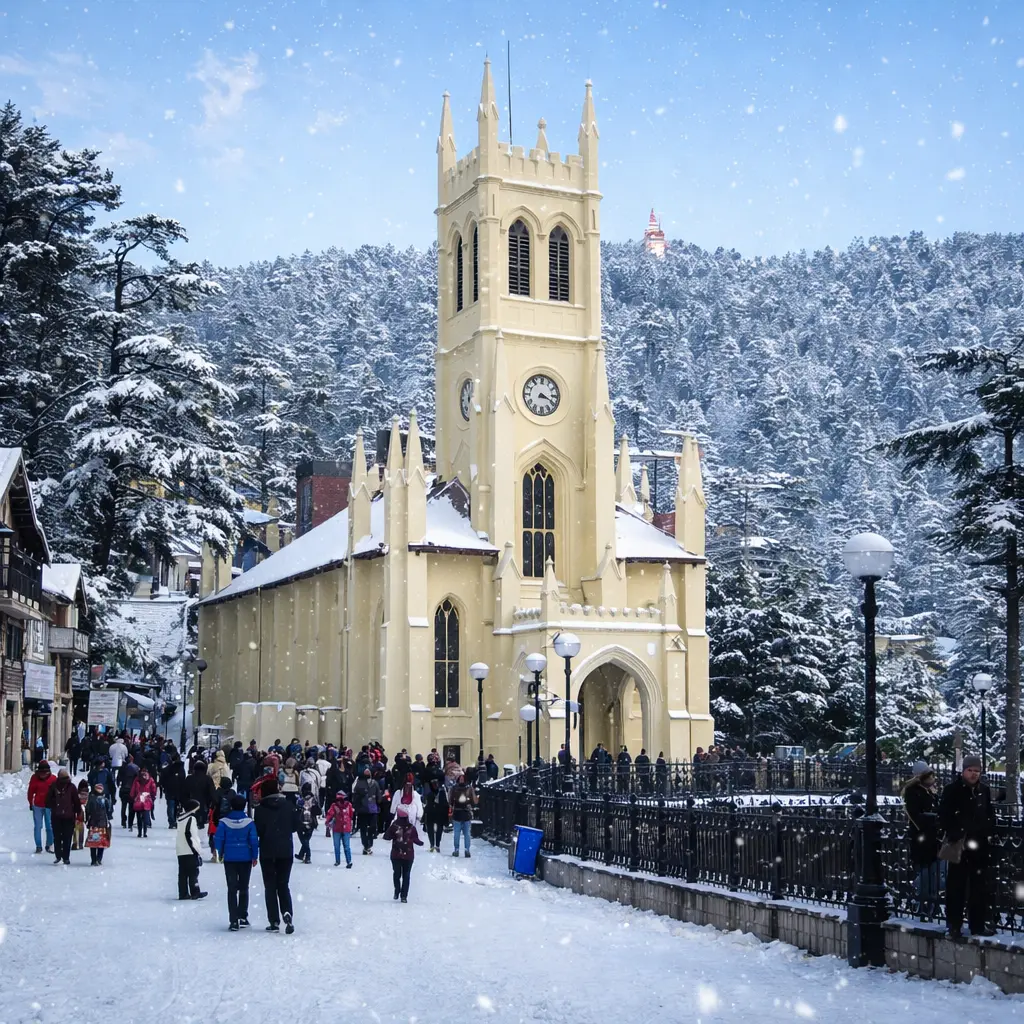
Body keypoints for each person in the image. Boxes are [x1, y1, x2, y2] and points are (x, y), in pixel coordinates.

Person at [940, 754, 997, 939]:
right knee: (956, 886)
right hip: (960, 844)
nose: (974, 774)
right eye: (970, 770)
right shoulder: (953, 790)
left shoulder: (984, 791)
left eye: (977, 771)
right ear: (963, 771)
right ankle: (954, 925)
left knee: (978, 886)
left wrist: (987, 830)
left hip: (979, 845)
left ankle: (977, 925)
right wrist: (957, 832)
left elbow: (989, 813)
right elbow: (944, 816)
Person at [253, 777, 300, 933]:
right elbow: (295, 826)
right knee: (283, 884)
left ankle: (274, 920)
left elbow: (258, 830)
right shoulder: (288, 806)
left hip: (267, 851)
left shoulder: (260, 809)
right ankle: (287, 912)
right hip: (286, 850)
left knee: (270, 887)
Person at [902, 760, 944, 919]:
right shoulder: (913, 792)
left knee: (935, 873)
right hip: (922, 839)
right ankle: (922, 903)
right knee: (925, 873)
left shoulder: (930, 791)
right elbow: (915, 816)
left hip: (934, 839)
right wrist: (934, 819)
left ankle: (931, 904)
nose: (933, 778)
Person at [213, 794, 259, 931]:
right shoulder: (249, 822)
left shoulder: (223, 822)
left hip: (230, 858)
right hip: (245, 858)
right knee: (244, 887)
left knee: (232, 889)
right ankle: (243, 916)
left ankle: (233, 920)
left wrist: (219, 853)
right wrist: (254, 856)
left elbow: (218, 839)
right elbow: (254, 840)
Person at [384, 805, 423, 903]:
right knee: (406, 875)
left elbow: (386, 836)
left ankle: (397, 891)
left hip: (396, 854)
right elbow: (416, 839)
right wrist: (420, 843)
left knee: (397, 874)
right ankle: (404, 896)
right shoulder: (411, 827)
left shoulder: (394, 826)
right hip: (409, 855)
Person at [46, 768, 82, 865]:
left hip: (56, 816)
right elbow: (76, 801)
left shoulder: (54, 786)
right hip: (69, 816)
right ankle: (66, 857)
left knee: (57, 837)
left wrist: (55, 805)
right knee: (67, 837)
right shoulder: (71, 787)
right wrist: (78, 812)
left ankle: (58, 856)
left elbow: (48, 801)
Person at [175, 799, 208, 901]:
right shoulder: (191, 819)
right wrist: (197, 850)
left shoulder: (181, 819)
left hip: (181, 849)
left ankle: (183, 893)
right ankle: (195, 891)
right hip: (190, 849)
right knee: (193, 872)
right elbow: (192, 835)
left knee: (183, 873)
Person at [27, 760, 55, 854]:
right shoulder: (34, 778)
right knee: (38, 826)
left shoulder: (53, 779)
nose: (43, 775)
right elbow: (30, 791)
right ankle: (38, 846)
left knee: (49, 826)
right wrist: (31, 803)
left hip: (49, 806)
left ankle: (49, 844)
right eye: (41, 773)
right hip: (38, 806)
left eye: (45, 772)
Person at [352, 767, 381, 855]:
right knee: (369, 828)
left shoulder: (359, 783)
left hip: (363, 809)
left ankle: (366, 845)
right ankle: (367, 845)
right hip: (369, 808)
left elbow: (355, 797)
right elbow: (379, 796)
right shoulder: (374, 783)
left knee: (364, 828)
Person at [449, 774, 476, 858]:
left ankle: (458, 849)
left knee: (459, 833)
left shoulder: (454, 788)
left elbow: (450, 800)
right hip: (465, 812)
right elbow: (473, 800)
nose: (461, 780)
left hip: (459, 812)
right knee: (466, 833)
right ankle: (466, 850)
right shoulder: (469, 788)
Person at [325, 789, 354, 867]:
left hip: (338, 828)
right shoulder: (348, 805)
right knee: (346, 846)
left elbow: (329, 814)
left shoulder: (334, 806)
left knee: (338, 846)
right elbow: (351, 816)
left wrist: (327, 822)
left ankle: (339, 861)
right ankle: (348, 861)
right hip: (344, 828)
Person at [183, 760, 217, 826]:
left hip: (191, 804)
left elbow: (184, 792)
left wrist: (184, 803)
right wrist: (213, 802)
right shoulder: (207, 779)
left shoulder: (189, 778)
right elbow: (212, 792)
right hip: (204, 804)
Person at [85, 783, 110, 866]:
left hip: (93, 823)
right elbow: (109, 810)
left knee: (93, 842)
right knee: (101, 842)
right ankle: (99, 859)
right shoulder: (105, 799)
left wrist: (87, 820)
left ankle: (93, 859)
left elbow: (87, 810)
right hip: (102, 824)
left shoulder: (91, 798)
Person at [422, 777, 449, 853]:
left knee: (439, 830)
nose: (435, 786)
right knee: (430, 830)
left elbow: (445, 805)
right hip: (431, 814)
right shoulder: (430, 794)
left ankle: (437, 845)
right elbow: (427, 806)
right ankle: (432, 845)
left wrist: (446, 817)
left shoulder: (442, 793)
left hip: (439, 814)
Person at [296, 782, 319, 864]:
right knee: (306, 839)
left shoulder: (300, 799)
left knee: (303, 839)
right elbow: (317, 810)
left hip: (301, 821)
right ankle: (302, 854)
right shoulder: (313, 799)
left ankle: (308, 856)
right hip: (311, 822)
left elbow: (297, 808)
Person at [130, 768, 157, 838]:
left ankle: (139, 832)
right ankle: (145, 832)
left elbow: (133, 789)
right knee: (145, 816)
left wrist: (132, 796)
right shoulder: (150, 779)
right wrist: (153, 796)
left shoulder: (137, 779)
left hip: (138, 798)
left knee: (138, 817)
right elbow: (153, 788)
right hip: (147, 798)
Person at [161, 753, 185, 828]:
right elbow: (183, 779)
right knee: (176, 806)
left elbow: (163, 779)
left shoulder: (168, 768)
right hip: (179, 789)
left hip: (169, 789)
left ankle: (171, 822)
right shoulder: (181, 768)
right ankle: (174, 819)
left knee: (170, 806)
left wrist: (164, 787)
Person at [118, 757, 140, 830]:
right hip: (131, 790)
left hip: (124, 789)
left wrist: (119, 784)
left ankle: (123, 821)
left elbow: (118, 779)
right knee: (131, 807)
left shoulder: (122, 768)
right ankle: (130, 823)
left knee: (123, 806)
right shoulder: (136, 768)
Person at [73, 779, 89, 850]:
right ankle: (80, 843)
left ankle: (75, 843)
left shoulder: (77, 794)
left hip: (78, 812)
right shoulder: (88, 794)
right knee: (82, 829)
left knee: (76, 829)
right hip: (85, 813)